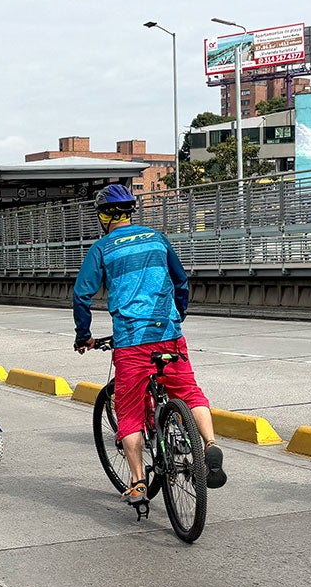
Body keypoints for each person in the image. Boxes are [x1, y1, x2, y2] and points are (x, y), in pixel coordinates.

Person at [72, 183, 225, 509]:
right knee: (189, 391)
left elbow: (81, 296)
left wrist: (83, 334)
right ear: (129, 213)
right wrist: (177, 315)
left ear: (103, 216)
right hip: (169, 334)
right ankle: (210, 444)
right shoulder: (157, 239)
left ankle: (139, 481)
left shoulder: (102, 249)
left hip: (132, 343)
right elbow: (180, 280)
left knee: (128, 412)